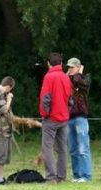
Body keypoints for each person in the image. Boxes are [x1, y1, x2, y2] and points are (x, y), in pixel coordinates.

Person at [39, 53, 73, 183]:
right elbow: (70, 99)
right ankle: (61, 176)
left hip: (51, 117)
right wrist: (67, 112)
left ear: (48, 63)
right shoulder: (65, 77)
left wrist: (44, 113)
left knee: (47, 148)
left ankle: (51, 177)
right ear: (61, 64)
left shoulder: (49, 77)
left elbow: (45, 97)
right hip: (64, 118)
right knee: (62, 148)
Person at [66, 57, 92, 182]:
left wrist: (79, 73)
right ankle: (76, 175)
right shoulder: (68, 79)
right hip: (69, 118)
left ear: (78, 67)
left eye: (72, 67)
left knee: (83, 148)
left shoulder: (85, 78)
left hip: (80, 117)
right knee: (73, 149)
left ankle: (86, 176)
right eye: (68, 67)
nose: (69, 69)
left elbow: (83, 84)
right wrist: (68, 75)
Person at [0, 76, 15, 185]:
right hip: (0, 129)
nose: (10, 92)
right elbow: (4, 110)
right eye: (10, 89)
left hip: (6, 130)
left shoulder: (1, 94)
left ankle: (0, 178)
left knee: (3, 155)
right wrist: (9, 100)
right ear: (8, 87)